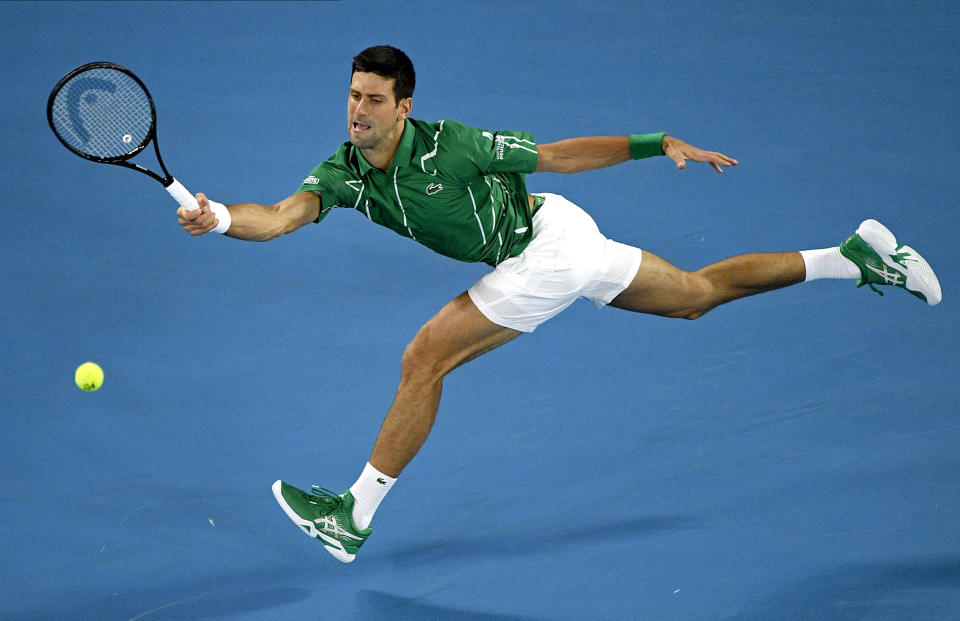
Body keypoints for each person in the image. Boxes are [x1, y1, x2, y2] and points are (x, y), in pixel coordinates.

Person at [177, 46, 941, 563]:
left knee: (424, 356)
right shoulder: (343, 171)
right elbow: (278, 217)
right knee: (696, 298)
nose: (358, 112)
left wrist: (655, 141)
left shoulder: (456, 145)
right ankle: (853, 257)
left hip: (547, 242)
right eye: (352, 96)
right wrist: (218, 219)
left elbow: (558, 156)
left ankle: (355, 514)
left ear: (405, 106)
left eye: (374, 100)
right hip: (553, 243)